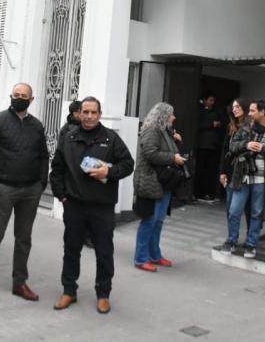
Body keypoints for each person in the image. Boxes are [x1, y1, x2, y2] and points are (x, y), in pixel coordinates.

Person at [50, 96, 135, 314]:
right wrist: (62, 196)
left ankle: (103, 294)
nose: (89, 116)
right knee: (71, 250)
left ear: (100, 114)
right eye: (85, 112)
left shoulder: (111, 138)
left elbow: (128, 164)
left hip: (102, 207)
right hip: (74, 206)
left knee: (104, 252)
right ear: (79, 113)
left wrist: (110, 172)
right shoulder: (69, 138)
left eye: (93, 112)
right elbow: (57, 169)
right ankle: (69, 291)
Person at [0, 84, 48, 304]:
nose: (20, 98)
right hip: (5, 188)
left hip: (31, 189)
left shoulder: (36, 125)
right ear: (10, 96)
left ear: (31, 99)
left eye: (24, 96)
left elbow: (43, 156)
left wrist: (41, 182)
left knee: (23, 239)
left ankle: (19, 282)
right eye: (16, 95)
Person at [222, 99, 265, 259]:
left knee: (257, 213)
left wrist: (264, 149)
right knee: (234, 210)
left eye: (252, 111)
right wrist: (246, 145)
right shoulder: (245, 127)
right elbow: (232, 146)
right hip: (242, 176)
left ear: (262, 112)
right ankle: (231, 240)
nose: (249, 113)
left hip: (263, 178)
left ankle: (251, 244)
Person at [132, 102, 186, 272]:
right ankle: (141, 258)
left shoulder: (165, 131)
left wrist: (176, 143)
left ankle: (154, 255)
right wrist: (173, 158)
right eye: (171, 114)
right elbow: (150, 153)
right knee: (149, 220)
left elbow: (167, 151)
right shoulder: (152, 130)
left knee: (158, 221)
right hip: (151, 181)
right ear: (163, 115)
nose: (174, 117)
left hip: (163, 182)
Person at [220, 98, 252, 232]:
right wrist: (222, 172)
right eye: (233, 107)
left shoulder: (251, 126)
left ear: (244, 108)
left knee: (248, 207)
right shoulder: (231, 126)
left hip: (245, 170)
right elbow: (225, 150)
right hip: (230, 170)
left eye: (238, 106)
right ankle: (232, 236)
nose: (235, 109)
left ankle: (250, 236)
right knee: (230, 206)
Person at [194, 92, 222, 202]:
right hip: (202, 145)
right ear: (204, 100)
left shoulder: (214, 112)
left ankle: (206, 193)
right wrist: (211, 124)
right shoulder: (199, 111)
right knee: (199, 169)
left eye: (213, 101)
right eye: (210, 100)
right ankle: (196, 193)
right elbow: (196, 124)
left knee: (209, 171)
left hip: (212, 146)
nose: (212, 103)